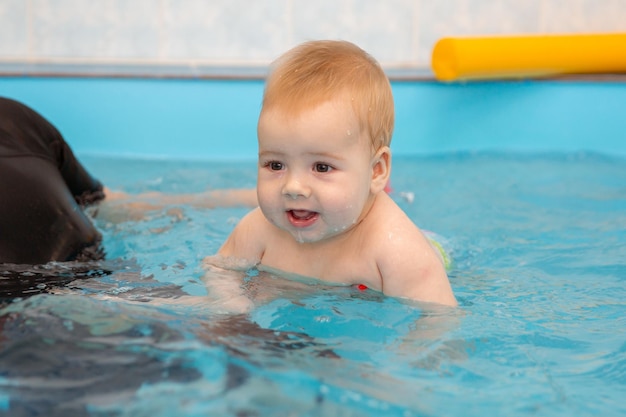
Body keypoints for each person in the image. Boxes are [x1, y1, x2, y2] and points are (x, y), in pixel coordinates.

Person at [209, 40, 457, 307]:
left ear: (376, 170)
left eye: (321, 167)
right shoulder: (258, 229)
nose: (293, 187)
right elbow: (220, 270)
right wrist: (233, 307)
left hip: (433, 250)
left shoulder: (398, 251)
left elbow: (437, 324)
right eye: (276, 165)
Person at [0, 97, 105, 264]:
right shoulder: (14, 117)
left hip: (27, 281)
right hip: (90, 265)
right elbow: (97, 201)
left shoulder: (14, 117)